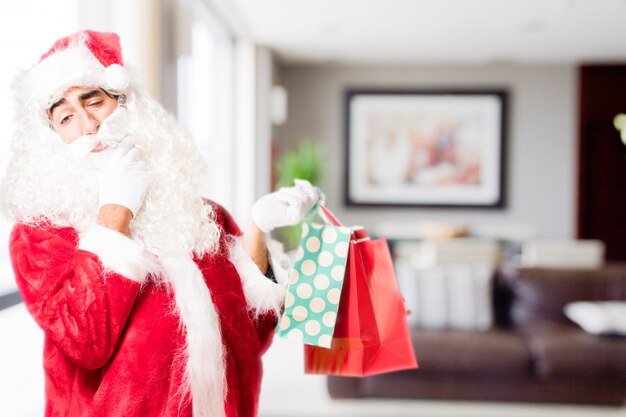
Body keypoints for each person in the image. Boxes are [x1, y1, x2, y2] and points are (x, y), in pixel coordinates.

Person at [1, 30, 318, 417]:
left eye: (94, 101)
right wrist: (115, 211)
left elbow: (251, 334)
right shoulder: (39, 236)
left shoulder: (199, 214)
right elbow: (88, 340)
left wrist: (257, 226)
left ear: (125, 104)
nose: (87, 125)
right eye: (66, 117)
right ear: (55, 137)